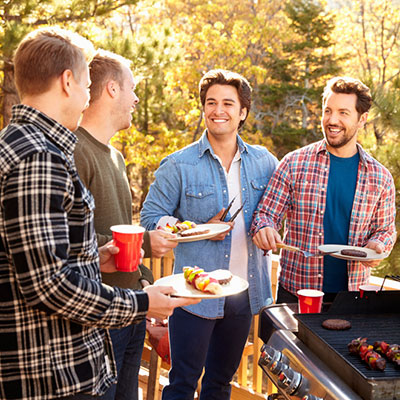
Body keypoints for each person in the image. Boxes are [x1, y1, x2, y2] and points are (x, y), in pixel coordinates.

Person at [0, 27, 198, 400]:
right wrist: (143, 302)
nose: (89, 95)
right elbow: (48, 285)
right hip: (54, 375)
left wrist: (94, 257)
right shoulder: (38, 158)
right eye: (87, 84)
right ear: (67, 81)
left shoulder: (27, 146)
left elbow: (39, 260)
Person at [140, 69, 278, 400]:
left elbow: (278, 210)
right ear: (203, 109)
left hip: (242, 294)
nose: (219, 110)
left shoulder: (265, 162)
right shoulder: (179, 164)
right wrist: (193, 229)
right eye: (211, 102)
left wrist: (272, 228)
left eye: (228, 103)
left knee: (220, 383)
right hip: (192, 296)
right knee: (183, 382)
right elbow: (149, 218)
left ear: (243, 112)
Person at [74, 49, 178, 400]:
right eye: (132, 88)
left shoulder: (115, 156)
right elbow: (73, 241)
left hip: (132, 311)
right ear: (112, 89)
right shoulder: (74, 150)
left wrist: (146, 284)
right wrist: (147, 242)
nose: (136, 98)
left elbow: (119, 231)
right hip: (100, 320)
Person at [251, 76, 396, 304]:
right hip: (296, 293)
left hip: (352, 298)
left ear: (362, 119)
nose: (332, 120)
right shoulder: (294, 163)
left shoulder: (380, 178)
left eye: (343, 113)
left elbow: (385, 230)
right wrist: (264, 228)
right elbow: (265, 214)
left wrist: (378, 245)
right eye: (327, 111)